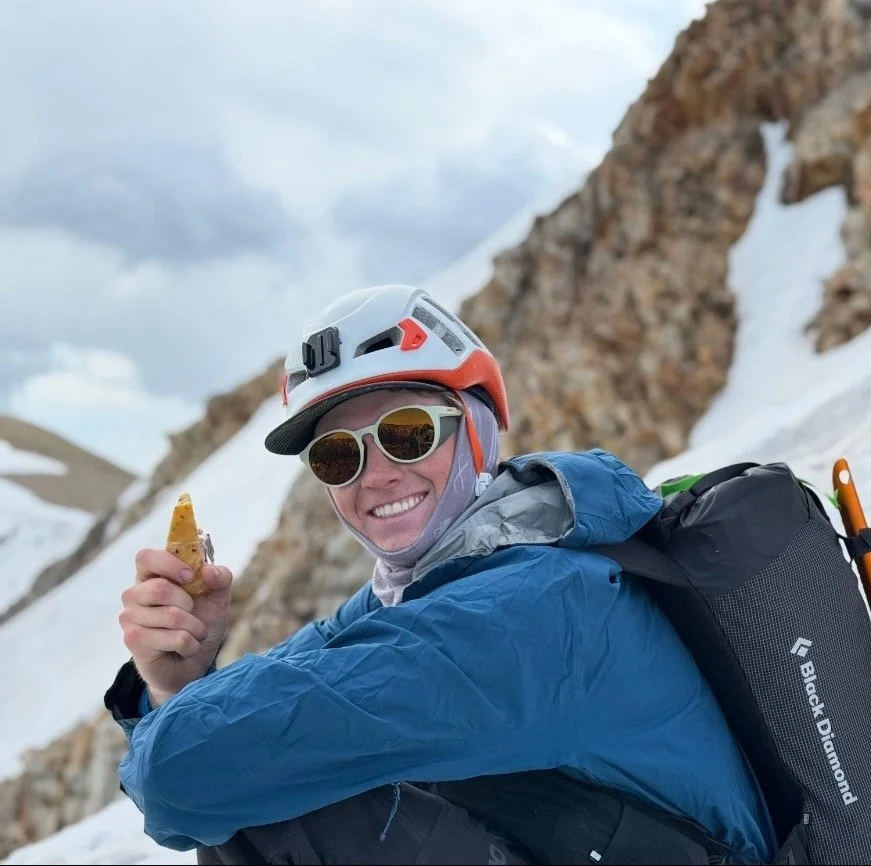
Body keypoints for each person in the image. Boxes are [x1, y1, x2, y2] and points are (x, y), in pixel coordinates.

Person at [104, 284, 777, 865]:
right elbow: (227, 737)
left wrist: (185, 720)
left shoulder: (536, 606)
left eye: (407, 433)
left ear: (477, 429)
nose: (375, 475)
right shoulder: (414, 595)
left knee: (270, 786)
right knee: (270, 772)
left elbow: (178, 775)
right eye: (337, 456)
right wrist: (178, 681)